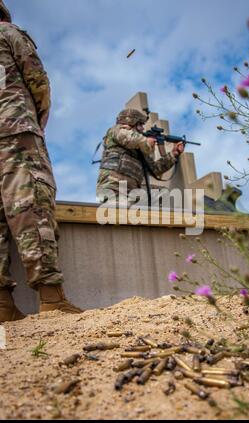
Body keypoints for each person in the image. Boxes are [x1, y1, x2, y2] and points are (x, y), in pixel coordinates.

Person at [0, 1, 82, 322]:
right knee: (31, 204)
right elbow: (37, 82)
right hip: (15, 130)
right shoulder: (8, 33)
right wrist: (36, 117)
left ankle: (3, 306)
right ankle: (51, 298)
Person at [96, 109, 185, 207]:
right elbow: (128, 137)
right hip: (114, 187)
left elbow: (154, 169)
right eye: (140, 125)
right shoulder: (116, 130)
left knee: (162, 193)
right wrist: (146, 142)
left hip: (132, 190)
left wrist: (173, 154)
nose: (143, 129)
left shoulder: (139, 148)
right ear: (131, 122)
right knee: (119, 215)